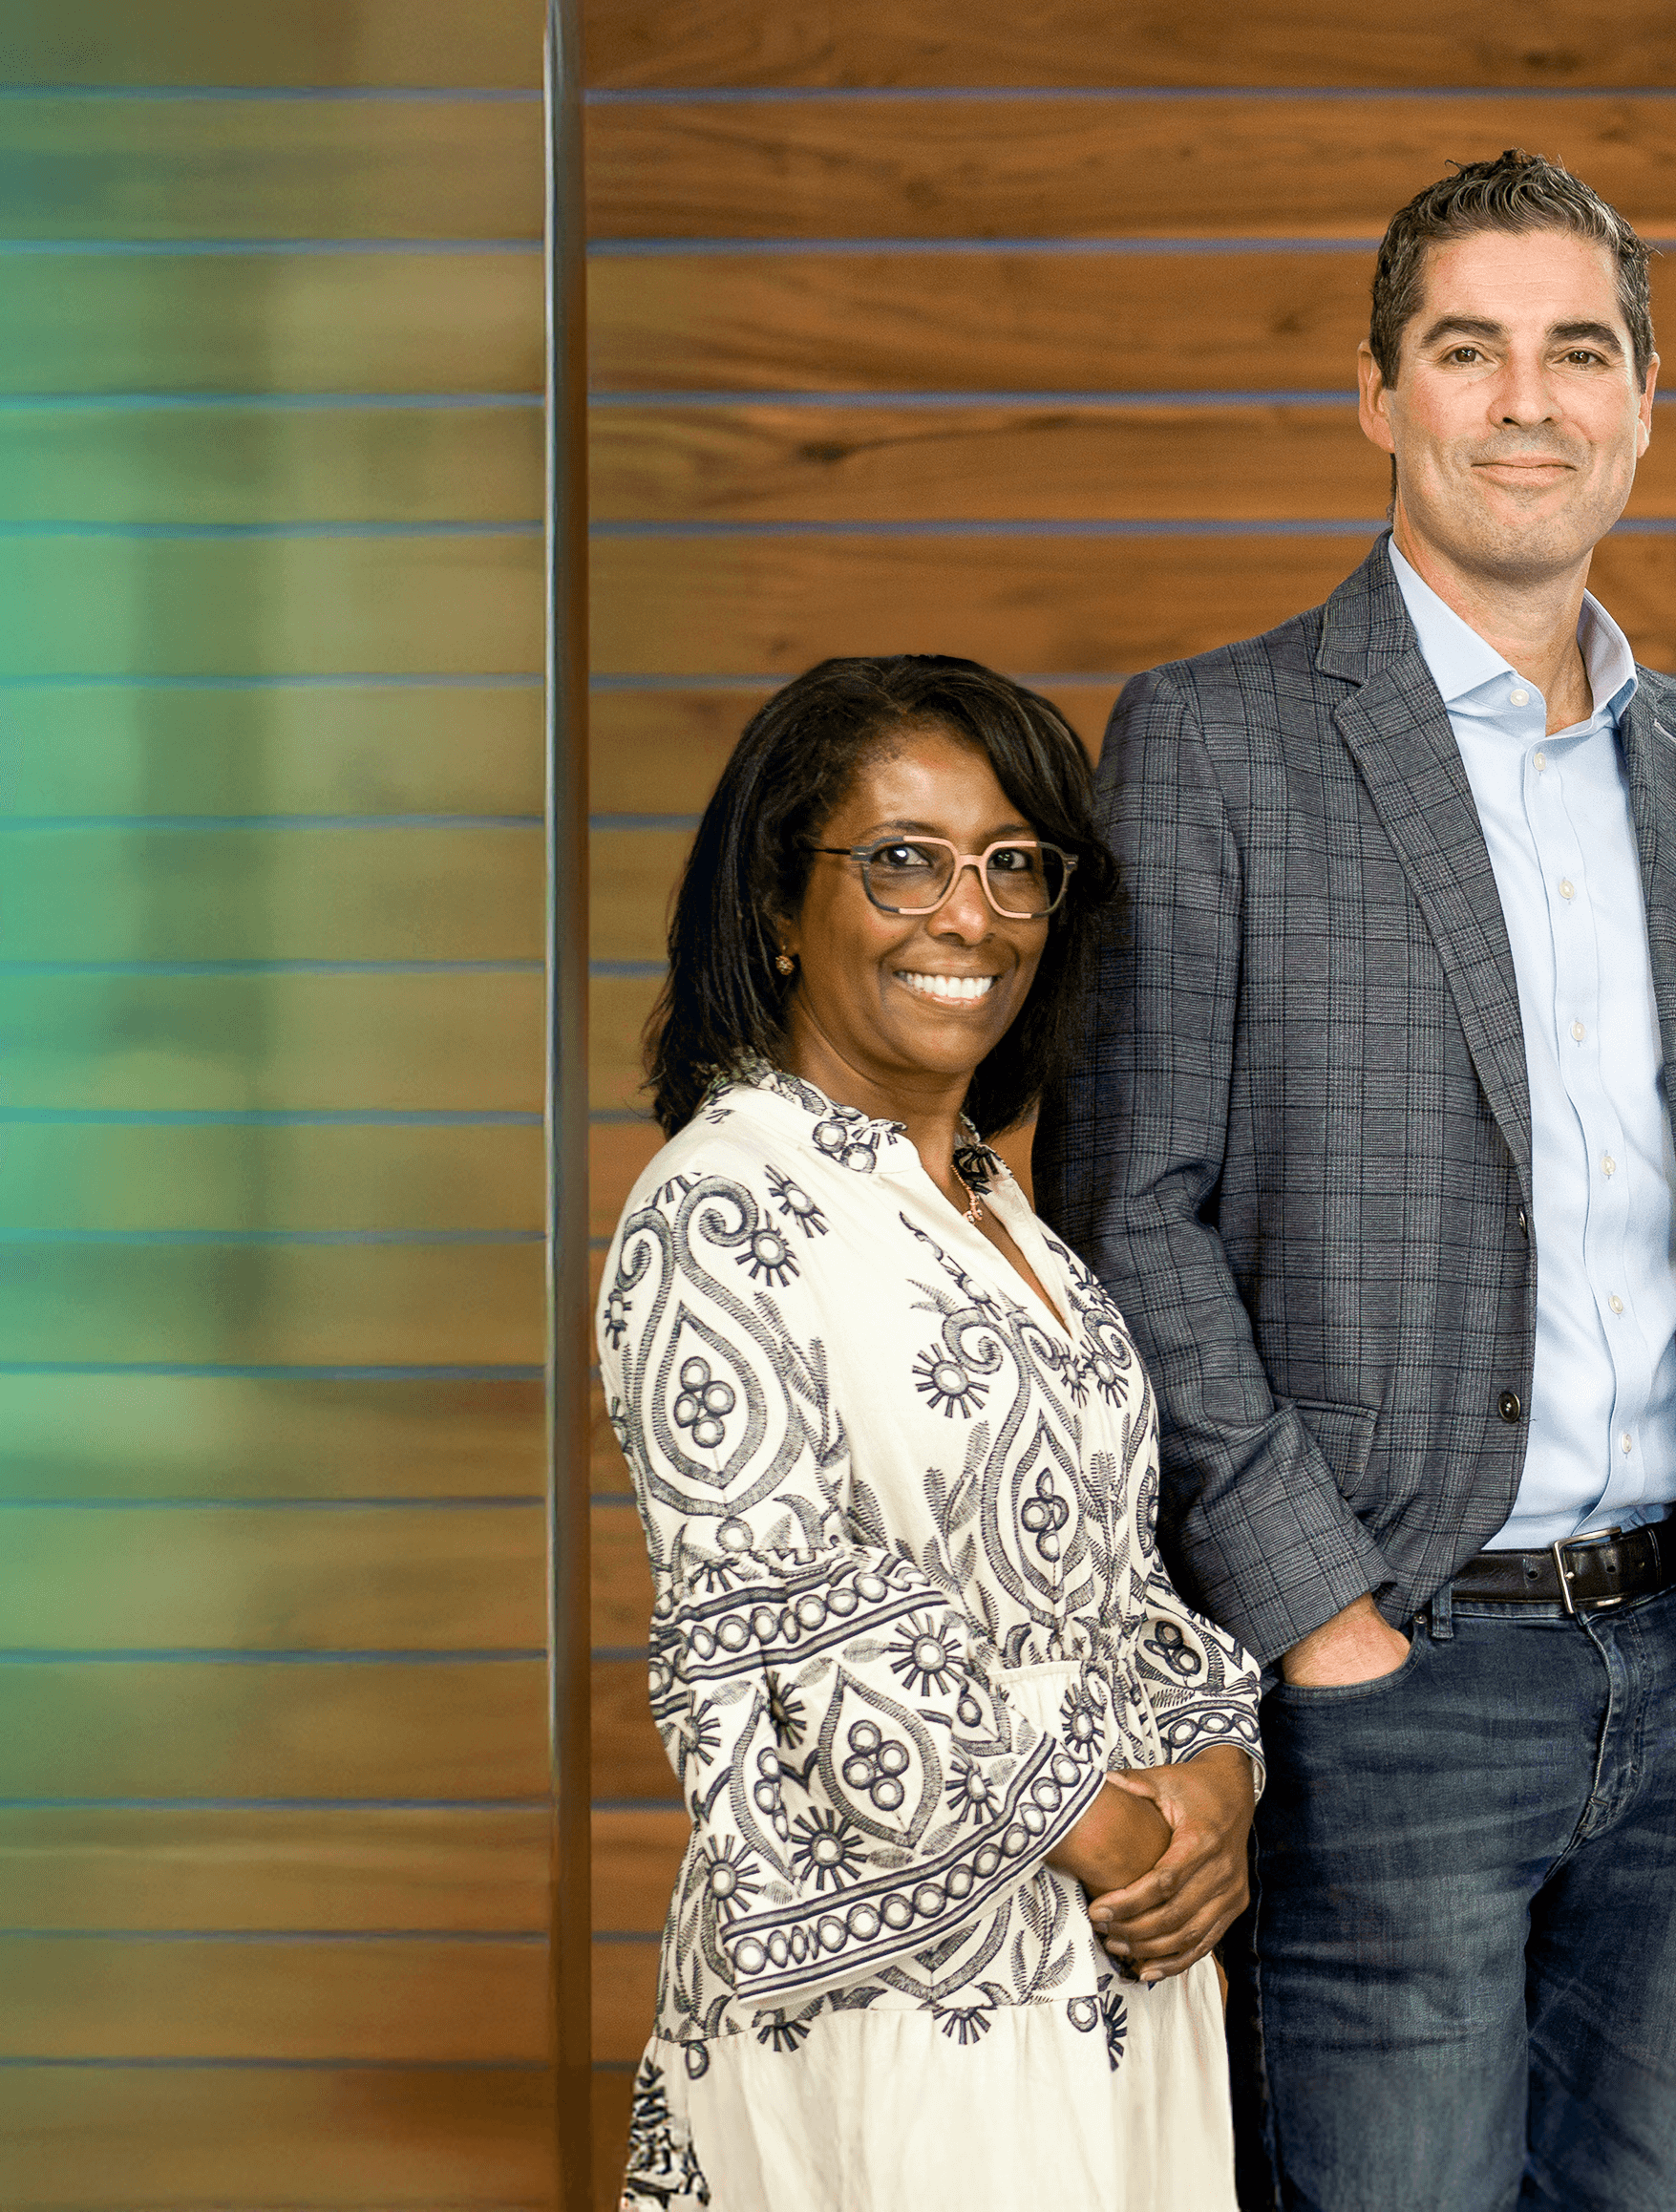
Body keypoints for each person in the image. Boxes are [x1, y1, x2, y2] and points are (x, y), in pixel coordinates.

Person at [1054, 151, 1676, 2212]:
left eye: (1577, 351)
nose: (1527, 401)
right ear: (1378, 395)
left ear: (1643, 402)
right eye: (1466, 350)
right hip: (1392, 1669)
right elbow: (1128, 1211)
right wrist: (1317, 1612)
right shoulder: (1215, 745)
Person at [603, 654, 1263, 2212]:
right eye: (904, 860)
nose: (970, 916)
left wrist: (1217, 1773)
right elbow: (786, 1628)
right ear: (781, 903)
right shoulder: (720, 1209)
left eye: (1014, 865)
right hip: (897, 2014)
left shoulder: (991, 1206)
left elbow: (1109, 1573)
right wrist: (1106, 1825)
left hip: (1110, 1974)